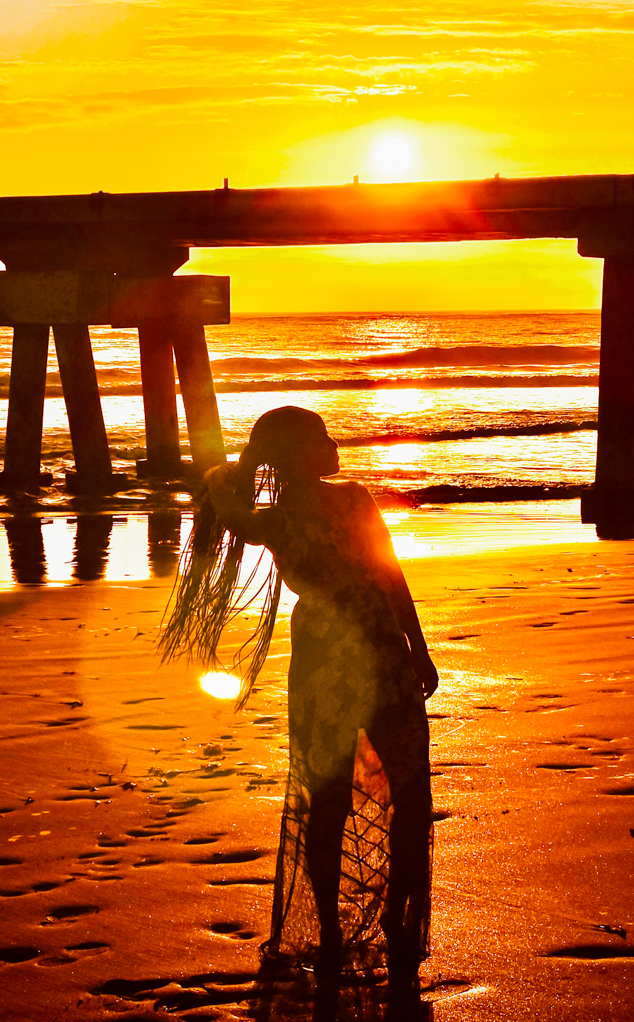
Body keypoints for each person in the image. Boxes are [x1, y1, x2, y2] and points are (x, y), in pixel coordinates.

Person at [161, 406, 437, 977]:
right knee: (360, 799)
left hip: (356, 654)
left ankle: (373, 921)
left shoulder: (297, 514)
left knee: (366, 800)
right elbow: (390, 575)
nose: (332, 444)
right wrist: (414, 644)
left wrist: (421, 646)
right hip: (362, 651)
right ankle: (342, 927)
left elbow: (391, 571)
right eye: (319, 438)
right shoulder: (297, 514)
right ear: (296, 455)